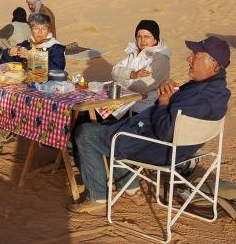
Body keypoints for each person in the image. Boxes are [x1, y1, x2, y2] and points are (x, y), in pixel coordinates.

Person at [69, 36, 231, 216]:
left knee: (86, 133)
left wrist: (163, 101)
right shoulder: (216, 91)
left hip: (161, 149)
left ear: (213, 65)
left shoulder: (200, 97)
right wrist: (173, 91)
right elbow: (179, 112)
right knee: (113, 126)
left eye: (195, 55)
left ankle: (98, 198)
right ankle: (130, 187)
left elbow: (164, 131)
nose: (189, 58)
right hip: (178, 148)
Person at [111, 20, 170, 116]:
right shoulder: (135, 52)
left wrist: (119, 82)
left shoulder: (160, 58)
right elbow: (114, 71)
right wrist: (133, 74)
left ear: (155, 39)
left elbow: (140, 87)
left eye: (146, 37)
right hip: (125, 104)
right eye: (139, 36)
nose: (142, 40)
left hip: (142, 109)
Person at [0, 13, 65, 70]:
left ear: (49, 30)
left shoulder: (55, 47)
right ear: (31, 30)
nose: (40, 32)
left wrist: (34, 58)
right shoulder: (26, 44)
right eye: (36, 28)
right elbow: (6, 63)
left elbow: (57, 69)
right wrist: (9, 53)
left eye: (44, 29)